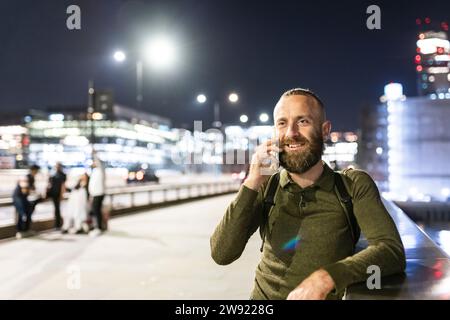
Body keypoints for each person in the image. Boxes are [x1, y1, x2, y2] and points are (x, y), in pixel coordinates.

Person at [210, 88, 406, 300]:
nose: (291, 133)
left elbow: (390, 250)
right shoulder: (267, 186)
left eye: (302, 121)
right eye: (282, 123)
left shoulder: (352, 185)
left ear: (324, 130)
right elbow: (222, 254)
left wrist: (327, 277)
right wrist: (252, 181)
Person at [13, 164, 41, 238]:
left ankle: (26, 230)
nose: (37, 173)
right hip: (19, 197)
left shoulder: (32, 178)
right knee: (22, 213)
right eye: (37, 171)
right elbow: (24, 190)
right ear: (33, 170)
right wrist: (33, 192)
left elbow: (32, 189)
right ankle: (20, 231)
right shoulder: (25, 177)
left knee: (28, 212)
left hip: (24, 198)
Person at [88, 154, 106, 235]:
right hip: (95, 194)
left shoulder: (100, 170)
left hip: (99, 194)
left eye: (94, 162)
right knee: (96, 211)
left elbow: (98, 161)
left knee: (96, 211)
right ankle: (99, 226)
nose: (93, 163)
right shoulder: (95, 171)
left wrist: (94, 154)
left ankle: (98, 227)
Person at [46, 162, 67, 229]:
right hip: (53, 193)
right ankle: (57, 224)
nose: (57, 167)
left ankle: (58, 224)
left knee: (57, 209)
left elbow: (63, 185)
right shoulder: (53, 174)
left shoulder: (63, 175)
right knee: (56, 209)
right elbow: (49, 184)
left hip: (58, 193)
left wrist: (62, 194)